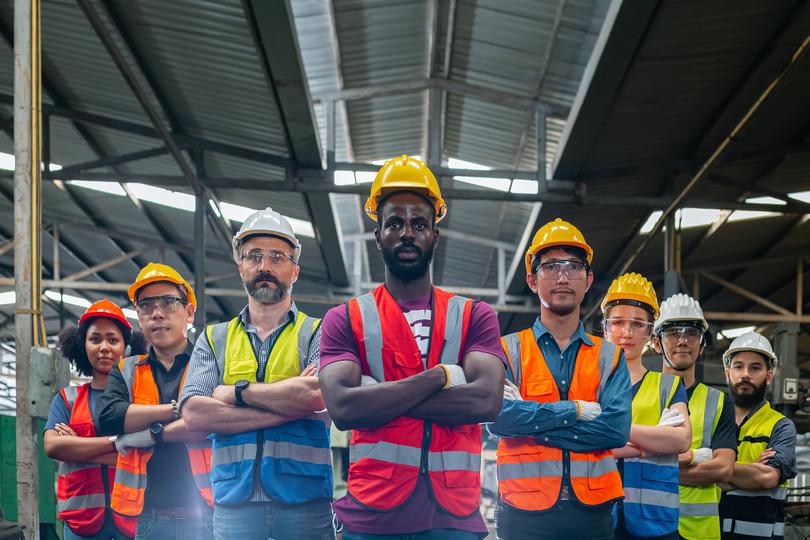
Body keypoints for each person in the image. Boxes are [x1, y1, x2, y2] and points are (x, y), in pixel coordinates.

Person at [318, 154, 505, 540]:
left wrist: (377, 396)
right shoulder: (345, 318)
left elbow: (486, 402)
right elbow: (343, 409)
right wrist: (440, 377)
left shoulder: (474, 315)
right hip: (372, 516)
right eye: (395, 224)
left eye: (419, 224)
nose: (407, 233)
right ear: (378, 235)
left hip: (452, 518)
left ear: (434, 235)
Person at [180, 208, 333, 540]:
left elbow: (317, 396)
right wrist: (287, 404)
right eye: (255, 256)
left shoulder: (320, 332)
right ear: (241, 267)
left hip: (304, 500)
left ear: (295, 270)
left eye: (277, 257)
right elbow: (192, 412)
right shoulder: (213, 337)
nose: (265, 266)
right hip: (235, 501)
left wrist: (235, 393)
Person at [488, 218, 631, 540]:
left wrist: (533, 424)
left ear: (588, 279)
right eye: (551, 266)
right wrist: (575, 410)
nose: (563, 276)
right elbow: (497, 420)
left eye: (573, 266)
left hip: (593, 512)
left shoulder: (609, 356)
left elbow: (615, 430)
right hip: (523, 512)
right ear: (532, 280)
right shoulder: (507, 349)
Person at [96, 263, 214, 540]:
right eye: (147, 305)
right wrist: (177, 409)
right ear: (138, 315)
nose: (157, 313)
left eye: (168, 302)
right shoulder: (126, 369)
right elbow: (108, 418)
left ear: (189, 312)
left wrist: (145, 430)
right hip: (149, 518)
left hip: (208, 515)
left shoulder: (211, 362)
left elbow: (213, 420)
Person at [45, 300, 146, 540]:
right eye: (95, 339)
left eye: (112, 340)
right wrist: (118, 443)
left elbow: (146, 453)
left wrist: (77, 446)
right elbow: (53, 446)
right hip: (81, 522)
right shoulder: (66, 400)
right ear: (83, 345)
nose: (104, 347)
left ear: (126, 347)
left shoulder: (141, 400)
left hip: (132, 518)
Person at [601, 274, 691, 540]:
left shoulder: (668, 386)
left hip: (655, 524)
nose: (627, 332)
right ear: (606, 328)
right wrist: (652, 439)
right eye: (618, 322)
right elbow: (582, 442)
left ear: (650, 332)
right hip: (597, 517)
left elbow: (682, 439)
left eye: (637, 324)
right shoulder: (588, 385)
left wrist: (614, 432)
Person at [652, 294, 736, 540]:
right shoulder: (640, 394)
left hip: (700, 532)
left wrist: (654, 467)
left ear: (701, 345)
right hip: (647, 526)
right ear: (656, 343)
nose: (682, 340)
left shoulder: (719, 402)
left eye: (691, 333)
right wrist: (694, 459)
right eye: (672, 332)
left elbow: (723, 469)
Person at [719, 332, 797, 539]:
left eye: (755, 367)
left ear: (768, 376)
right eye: (738, 366)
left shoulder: (781, 426)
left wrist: (711, 468)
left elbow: (767, 477)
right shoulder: (712, 420)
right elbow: (683, 473)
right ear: (728, 373)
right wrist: (752, 468)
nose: (745, 374)